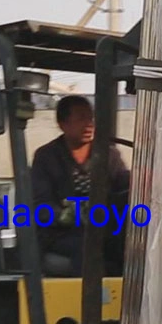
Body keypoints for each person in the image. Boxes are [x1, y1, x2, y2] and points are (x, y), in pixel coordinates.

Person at [30, 95, 130, 276]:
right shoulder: (46, 157)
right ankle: (88, 301)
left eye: (91, 118)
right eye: (81, 118)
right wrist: (74, 214)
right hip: (61, 234)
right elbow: (43, 206)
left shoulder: (109, 155)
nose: (89, 124)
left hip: (104, 229)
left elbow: (123, 186)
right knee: (88, 244)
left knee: (129, 243)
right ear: (63, 124)